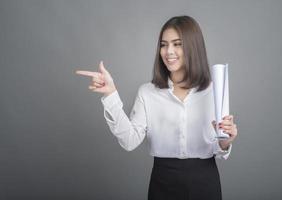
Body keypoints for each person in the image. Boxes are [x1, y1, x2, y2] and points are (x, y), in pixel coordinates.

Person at [76, 15, 238, 200]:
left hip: (205, 181)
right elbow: (129, 141)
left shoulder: (214, 90)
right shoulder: (147, 92)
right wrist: (110, 94)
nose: (168, 51)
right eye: (164, 44)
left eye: (177, 44)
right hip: (163, 183)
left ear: (193, 47)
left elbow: (219, 146)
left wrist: (226, 140)